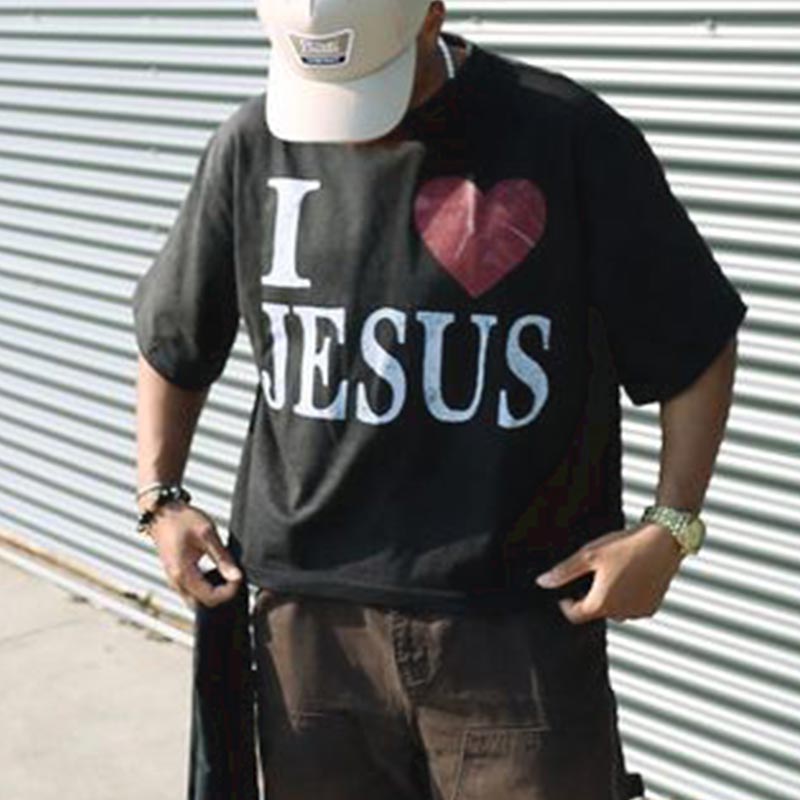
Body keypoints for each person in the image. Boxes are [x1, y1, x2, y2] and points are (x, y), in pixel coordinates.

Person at [131, 1, 748, 798]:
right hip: (307, 633)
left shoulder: (566, 136)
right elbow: (174, 337)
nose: (347, 128)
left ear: (430, 18)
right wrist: (160, 496)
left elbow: (694, 337)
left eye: (368, 85)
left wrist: (670, 527)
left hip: (512, 633)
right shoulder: (253, 144)